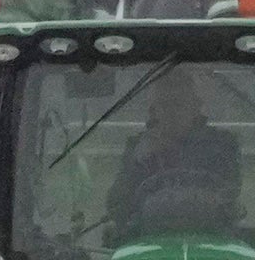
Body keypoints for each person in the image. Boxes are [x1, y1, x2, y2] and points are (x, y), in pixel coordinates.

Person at [105, 76, 247, 240]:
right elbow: (116, 205)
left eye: (178, 104)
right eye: (164, 105)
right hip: (147, 240)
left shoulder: (222, 144)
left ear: (196, 107)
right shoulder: (138, 148)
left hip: (212, 238)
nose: (171, 113)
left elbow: (230, 192)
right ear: (154, 111)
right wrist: (142, 159)